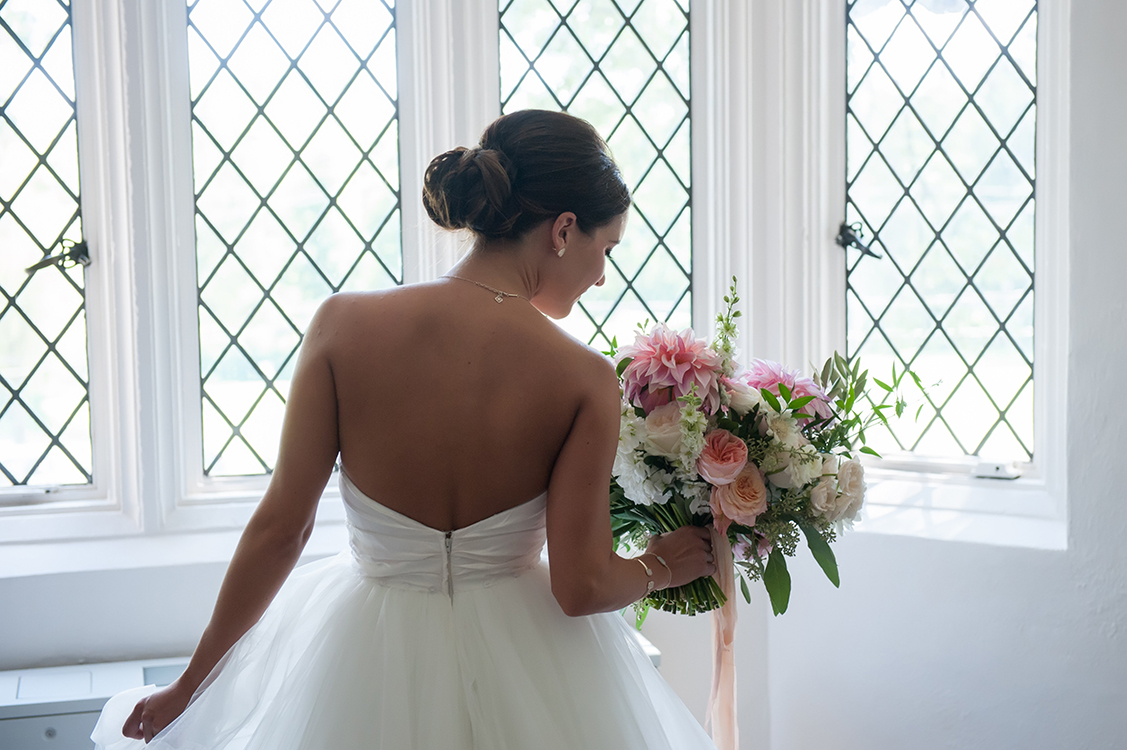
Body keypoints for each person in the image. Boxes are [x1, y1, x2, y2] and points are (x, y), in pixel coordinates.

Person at [91, 109, 719, 749]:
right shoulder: (583, 378)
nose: (601, 276)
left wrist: (191, 685)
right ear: (563, 230)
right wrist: (660, 566)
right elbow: (581, 586)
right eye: (604, 249)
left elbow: (283, 530)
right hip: (530, 675)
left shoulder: (340, 326)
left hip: (359, 667)